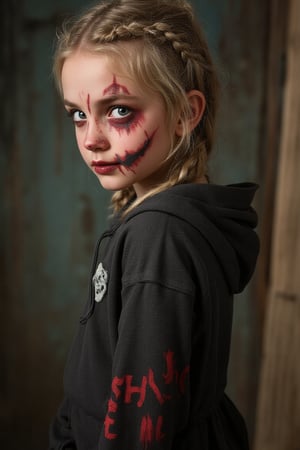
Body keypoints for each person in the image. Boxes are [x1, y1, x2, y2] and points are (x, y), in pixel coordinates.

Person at [49, 0, 259, 449]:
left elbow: (141, 427)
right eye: (78, 114)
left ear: (186, 113)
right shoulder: (168, 221)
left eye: (119, 110)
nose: (91, 139)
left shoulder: (158, 236)